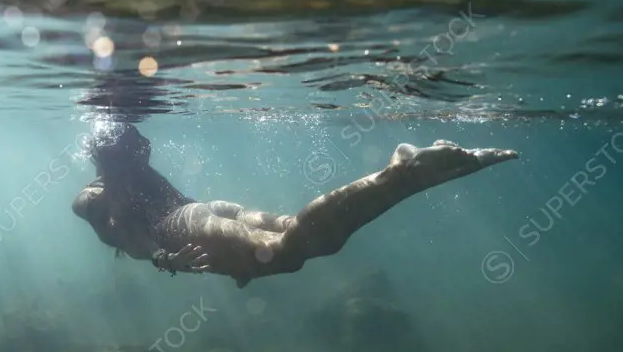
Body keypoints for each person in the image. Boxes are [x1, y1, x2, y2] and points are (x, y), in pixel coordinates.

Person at [72, 122, 519, 288]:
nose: (139, 161)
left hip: (184, 224)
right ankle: (429, 171)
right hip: (206, 209)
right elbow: (122, 228)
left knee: (290, 250)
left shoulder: (94, 195)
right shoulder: (109, 184)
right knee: (295, 234)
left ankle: (402, 174)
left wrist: (162, 258)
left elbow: (122, 235)